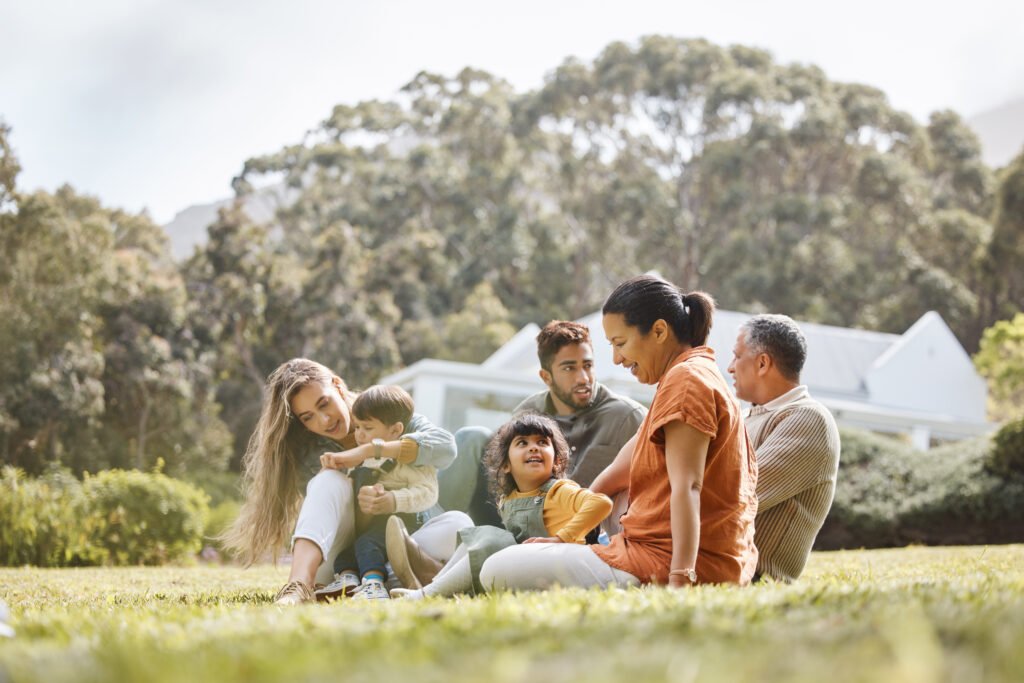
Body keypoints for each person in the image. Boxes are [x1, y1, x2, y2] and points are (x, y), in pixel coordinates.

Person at [479, 274, 759, 591]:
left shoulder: (687, 382)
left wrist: (680, 580)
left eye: (621, 344)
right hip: (648, 548)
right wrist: (565, 537)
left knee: (496, 570)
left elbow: (689, 487)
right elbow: (615, 474)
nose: (616, 359)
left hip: (666, 561)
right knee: (520, 556)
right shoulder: (686, 375)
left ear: (659, 331)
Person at [220, 359, 473, 605]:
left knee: (460, 524)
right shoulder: (311, 452)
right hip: (343, 559)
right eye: (308, 417)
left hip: (400, 541)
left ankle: (385, 579)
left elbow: (445, 448)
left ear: (338, 386)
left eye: (324, 404)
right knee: (329, 477)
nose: (324, 421)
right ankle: (299, 584)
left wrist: (370, 451)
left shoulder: (387, 413)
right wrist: (368, 500)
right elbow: (337, 520)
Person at [440, 321, 646, 528]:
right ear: (546, 377)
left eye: (587, 365)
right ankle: (431, 530)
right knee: (472, 437)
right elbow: (503, 479)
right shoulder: (527, 412)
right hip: (521, 519)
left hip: (582, 529)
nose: (583, 378)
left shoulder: (628, 417)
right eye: (569, 368)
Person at [389, 413, 612, 599]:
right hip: (530, 563)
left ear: (557, 461)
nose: (534, 448)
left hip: (562, 560)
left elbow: (601, 503)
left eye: (542, 442)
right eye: (523, 443)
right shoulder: (509, 500)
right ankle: (434, 585)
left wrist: (562, 537)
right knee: (479, 535)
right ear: (505, 465)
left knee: (495, 539)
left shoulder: (559, 490)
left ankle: (426, 595)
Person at [727, 314, 841, 583]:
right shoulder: (745, 416)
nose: (730, 367)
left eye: (737, 356)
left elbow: (734, 496)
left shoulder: (809, 419)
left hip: (750, 578)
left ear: (763, 363)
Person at [313, 385, 440, 601]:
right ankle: (348, 579)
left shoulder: (412, 461)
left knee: (367, 545)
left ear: (395, 430)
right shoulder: (363, 458)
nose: (359, 435)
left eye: (367, 428)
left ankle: (374, 584)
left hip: (404, 521)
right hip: (373, 523)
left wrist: (393, 500)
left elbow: (428, 493)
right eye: (357, 426)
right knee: (349, 552)